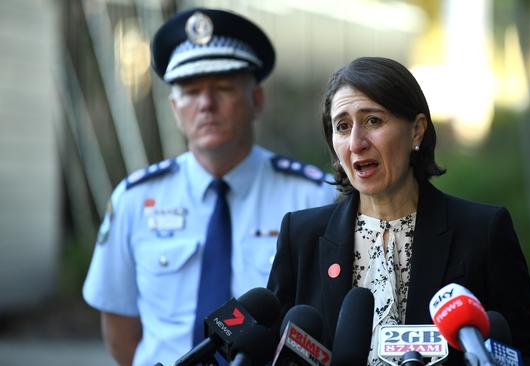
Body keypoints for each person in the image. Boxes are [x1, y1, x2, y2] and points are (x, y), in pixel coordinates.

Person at [267, 56, 530, 365]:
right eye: (342, 126)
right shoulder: (301, 236)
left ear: (417, 131)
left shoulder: (482, 231)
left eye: (373, 121)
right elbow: (271, 350)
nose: (356, 142)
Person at [82, 8, 338, 366]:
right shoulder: (135, 200)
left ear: (256, 100)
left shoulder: (313, 197)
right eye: (190, 91)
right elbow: (119, 325)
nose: (206, 104)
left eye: (223, 87)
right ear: (174, 107)